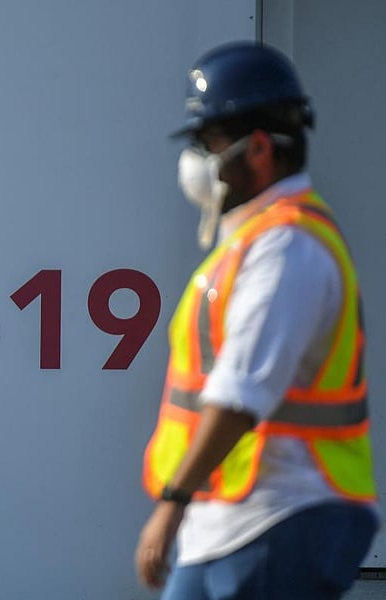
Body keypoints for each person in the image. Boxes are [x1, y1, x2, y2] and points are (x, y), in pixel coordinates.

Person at [134, 41, 380, 599]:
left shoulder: (286, 247)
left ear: (260, 149)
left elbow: (241, 394)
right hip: (228, 518)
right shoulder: (252, 241)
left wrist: (172, 501)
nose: (196, 160)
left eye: (208, 143)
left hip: (281, 514)